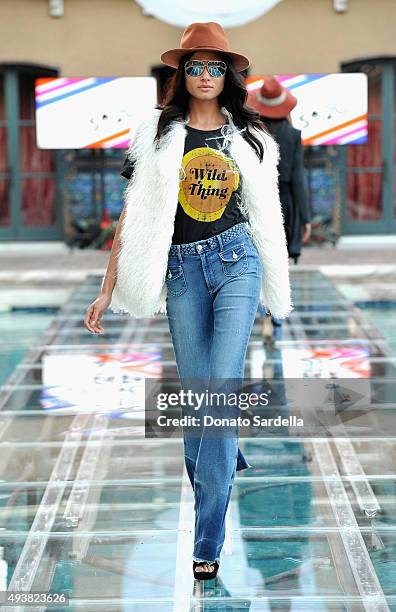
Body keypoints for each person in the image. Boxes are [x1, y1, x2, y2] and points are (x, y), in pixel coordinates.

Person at [84, 22, 292, 580]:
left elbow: (266, 214)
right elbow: (133, 214)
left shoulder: (251, 138)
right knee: (202, 400)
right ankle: (224, 457)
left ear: (229, 76)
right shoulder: (155, 133)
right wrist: (107, 288)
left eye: (215, 67)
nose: (204, 76)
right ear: (183, 74)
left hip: (237, 262)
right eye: (195, 66)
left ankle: (208, 538)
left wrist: (277, 280)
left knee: (219, 394)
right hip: (181, 269)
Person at [247, 76, 311, 346]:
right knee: (278, 265)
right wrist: (305, 219)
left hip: (258, 201)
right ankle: (276, 321)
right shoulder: (293, 135)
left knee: (258, 262)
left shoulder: (251, 132)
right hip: (285, 203)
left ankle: (262, 315)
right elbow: (298, 179)